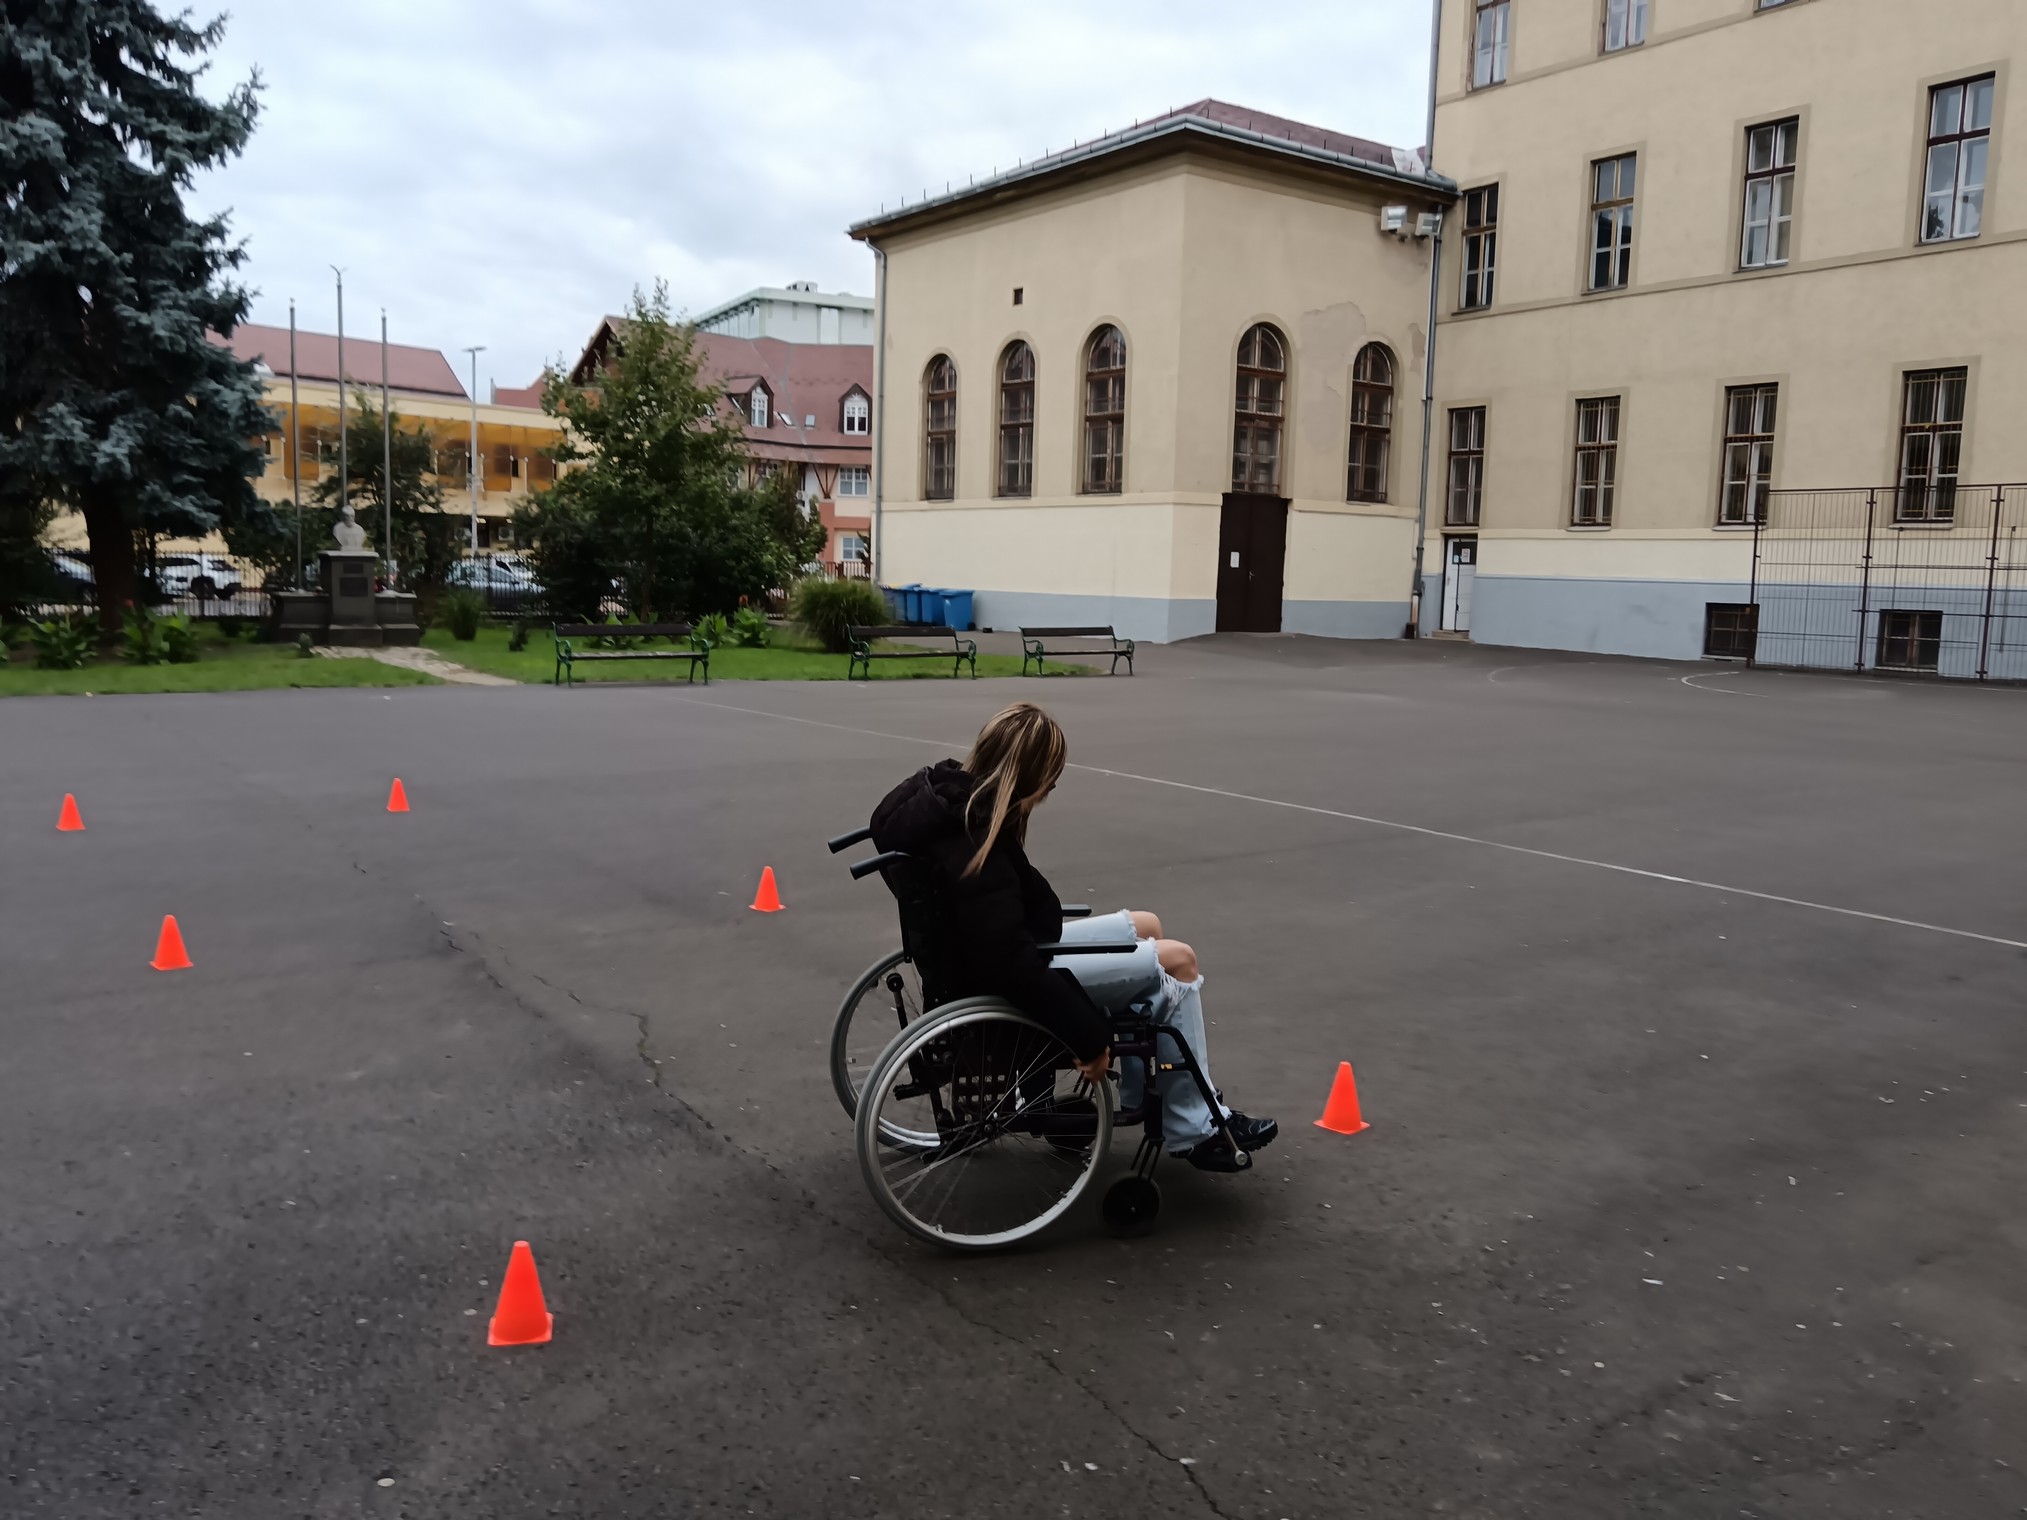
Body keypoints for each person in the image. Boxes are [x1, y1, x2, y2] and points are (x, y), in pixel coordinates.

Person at [869, 701, 1277, 1172]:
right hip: (1006, 972)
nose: (1052, 788)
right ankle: (1195, 1126)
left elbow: (998, 933)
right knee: (1179, 960)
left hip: (990, 950)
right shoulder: (976, 843)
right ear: (1031, 776)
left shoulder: (950, 802)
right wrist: (1088, 1037)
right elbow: (1010, 965)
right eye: (1051, 777)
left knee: (1147, 925)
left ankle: (1150, 1093)